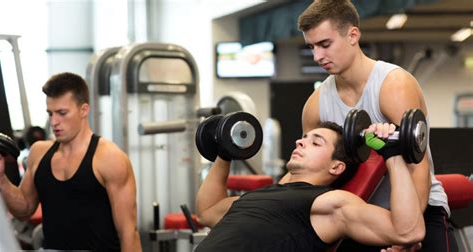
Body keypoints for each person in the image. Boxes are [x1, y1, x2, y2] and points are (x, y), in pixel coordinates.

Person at [295, 1, 455, 251]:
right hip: (358, 216)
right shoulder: (316, 104)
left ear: (353, 35)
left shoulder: (393, 85)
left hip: (420, 207)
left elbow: (418, 167)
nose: (317, 56)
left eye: (325, 44)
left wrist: (409, 233)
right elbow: (309, 174)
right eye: (312, 47)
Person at [195, 121, 425, 252]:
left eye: (316, 142)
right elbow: (207, 211)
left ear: (336, 167)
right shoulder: (259, 196)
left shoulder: (329, 202)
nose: (300, 141)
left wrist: (392, 155)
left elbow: (408, 231)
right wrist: (225, 152)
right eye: (304, 137)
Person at [0, 72, 142, 251]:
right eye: (50, 113)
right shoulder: (39, 153)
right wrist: (2, 179)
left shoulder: (109, 158)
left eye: (62, 113)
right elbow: (24, 210)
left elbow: (128, 233)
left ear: (84, 110)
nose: (54, 122)